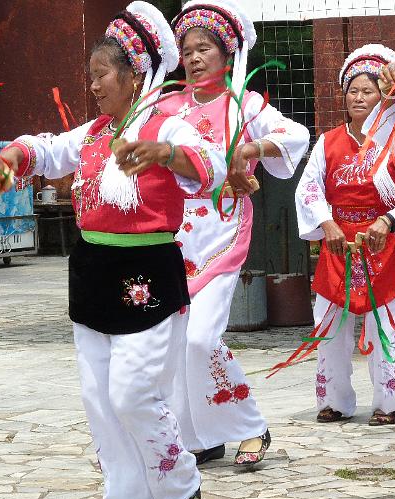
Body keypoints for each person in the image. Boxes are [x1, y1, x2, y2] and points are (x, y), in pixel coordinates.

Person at [0, 2, 228, 499]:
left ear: (135, 72)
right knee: (99, 400)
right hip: (93, 271)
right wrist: (13, 158)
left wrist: (163, 156)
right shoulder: (96, 133)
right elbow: (50, 151)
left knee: (131, 391)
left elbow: (210, 166)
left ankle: (177, 478)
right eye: (92, 75)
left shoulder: (171, 123)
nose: (94, 85)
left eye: (102, 74)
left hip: (147, 274)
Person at [159, 0, 310, 467]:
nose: (195, 57)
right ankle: (198, 436)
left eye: (204, 48)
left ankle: (250, 425)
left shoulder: (244, 104)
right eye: (187, 50)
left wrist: (254, 146)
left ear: (227, 54)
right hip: (172, 235)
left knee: (202, 337)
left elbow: (295, 135)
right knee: (176, 338)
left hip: (221, 230)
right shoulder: (167, 107)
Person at [294, 44, 395, 426]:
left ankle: (389, 404)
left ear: (382, 99)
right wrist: (326, 223)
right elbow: (308, 188)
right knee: (328, 325)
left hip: (379, 247)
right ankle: (335, 400)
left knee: (382, 328)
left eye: (367, 90)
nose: (358, 97)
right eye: (352, 90)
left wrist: (387, 221)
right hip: (337, 246)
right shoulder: (327, 141)